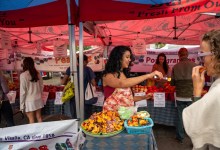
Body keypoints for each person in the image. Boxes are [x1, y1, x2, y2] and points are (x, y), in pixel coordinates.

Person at [183, 29, 220, 150]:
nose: (203, 60)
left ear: (215, 55)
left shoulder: (217, 92)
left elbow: (197, 128)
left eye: (203, 55)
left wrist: (197, 91)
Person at [102, 45, 163, 111]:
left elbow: (127, 98)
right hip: (111, 116)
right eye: (127, 57)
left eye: (130, 57)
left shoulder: (123, 74)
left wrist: (144, 97)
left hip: (125, 115)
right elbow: (122, 83)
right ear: (118, 58)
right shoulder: (107, 75)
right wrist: (148, 75)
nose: (130, 59)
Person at [170, 48, 197, 143]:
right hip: (192, 95)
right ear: (187, 54)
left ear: (179, 55)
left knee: (180, 117)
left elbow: (172, 83)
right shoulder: (194, 66)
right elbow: (198, 82)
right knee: (192, 117)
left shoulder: (175, 67)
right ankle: (194, 139)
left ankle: (180, 137)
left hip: (180, 96)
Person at [61, 55, 96, 119]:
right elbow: (94, 83)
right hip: (86, 97)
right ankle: (85, 127)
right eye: (87, 61)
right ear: (84, 61)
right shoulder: (88, 69)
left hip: (73, 96)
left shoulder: (71, 68)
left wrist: (70, 81)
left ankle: (76, 127)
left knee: (75, 115)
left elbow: (63, 82)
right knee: (86, 116)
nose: (87, 62)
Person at [20, 57, 44, 124]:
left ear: (24, 64)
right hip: (38, 98)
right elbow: (42, 86)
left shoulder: (23, 75)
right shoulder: (37, 73)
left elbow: (22, 92)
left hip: (29, 100)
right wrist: (39, 93)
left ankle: (33, 134)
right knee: (39, 117)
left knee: (31, 119)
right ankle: (42, 133)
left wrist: (21, 106)